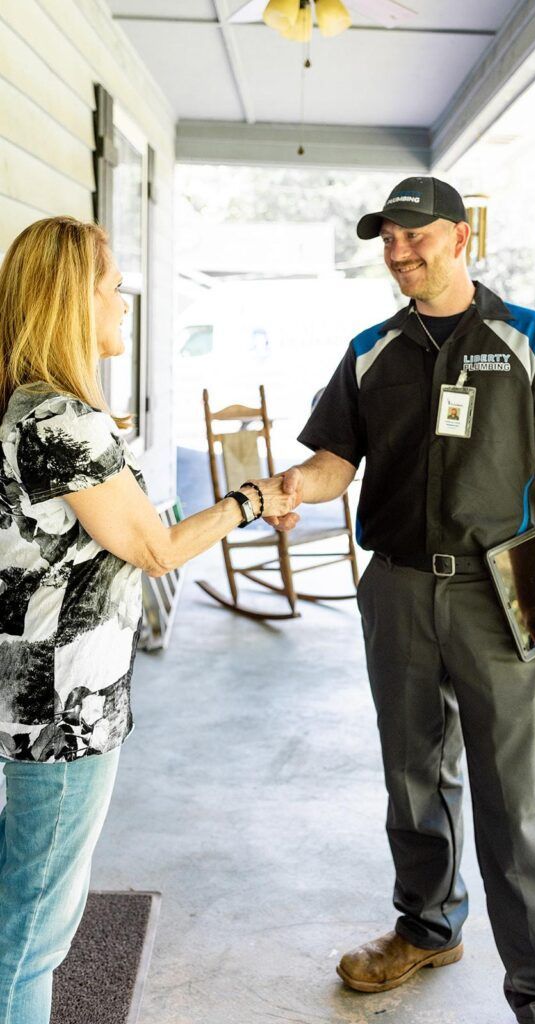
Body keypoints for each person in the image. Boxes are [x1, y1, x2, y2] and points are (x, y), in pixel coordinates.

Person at [266, 177, 535, 1024]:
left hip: (507, 584)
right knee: (413, 773)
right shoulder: (369, 351)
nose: (399, 251)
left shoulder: (527, 339)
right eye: (387, 238)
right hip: (397, 584)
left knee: (511, 794)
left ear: (462, 236)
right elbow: (334, 465)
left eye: (415, 235)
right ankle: (427, 926)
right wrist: (289, 487)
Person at [0, 216, 294, 1024]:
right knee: (33, 926)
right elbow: (155, 548)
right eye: (112, 289)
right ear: (71, 301)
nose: (122, 304)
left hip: (29, 689)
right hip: (59, 706)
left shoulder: (26, 407)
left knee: (19, 895)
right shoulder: (60, 419)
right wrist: (252, 499)